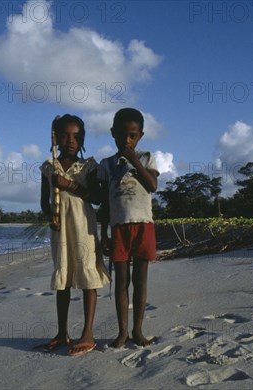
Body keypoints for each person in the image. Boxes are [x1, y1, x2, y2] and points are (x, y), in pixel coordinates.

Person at [40, 114, 110, 356]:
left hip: (84, 228)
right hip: (60, 231)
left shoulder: (88, 166)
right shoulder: (49, 168)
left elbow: (98, 198)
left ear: (82, 140)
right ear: (55, 138)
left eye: (76, 136)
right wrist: (51, 215)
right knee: (64, 279)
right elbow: (44, 202)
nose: (71, 140)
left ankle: (88, 333)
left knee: (87, 276)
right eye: (65, 135)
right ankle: (62, 333)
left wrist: (70, 185)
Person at [98, 108, 159, 348]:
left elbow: (153, 185)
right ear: (113, 133)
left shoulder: (146, 157)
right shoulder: (107, 164)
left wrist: (133, 160)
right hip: (119, 227)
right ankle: (122, 332)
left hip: (143, 225)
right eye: (122, 134)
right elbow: (103, 203)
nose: (127, 140)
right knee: (121, 281)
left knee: (140, 280)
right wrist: (104, 233)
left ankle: (138, 330)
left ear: (140, 135)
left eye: (132, 135)